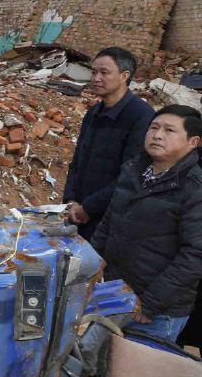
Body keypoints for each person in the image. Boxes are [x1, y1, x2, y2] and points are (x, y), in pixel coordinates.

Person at [90, 105, 202, 342]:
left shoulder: (195, 189)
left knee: (136, 375)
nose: (158, 135)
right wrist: (93, 262)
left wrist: (150, 303)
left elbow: (195, 255)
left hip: (155, 313)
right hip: (115, 294)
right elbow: (109, 220)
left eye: (169, 130)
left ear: (193, 142)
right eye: (154, 127)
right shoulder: (134, 171)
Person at [63, 47, 153, 240]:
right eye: (94, 72)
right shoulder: (93, 113)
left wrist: (89, 207)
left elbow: (132, 175)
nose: (96, 78)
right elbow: (77, 161)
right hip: (77, 214)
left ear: (124, 75)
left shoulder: (141, 116)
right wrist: (70, 200)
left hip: (109, 221)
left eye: (104, 72)